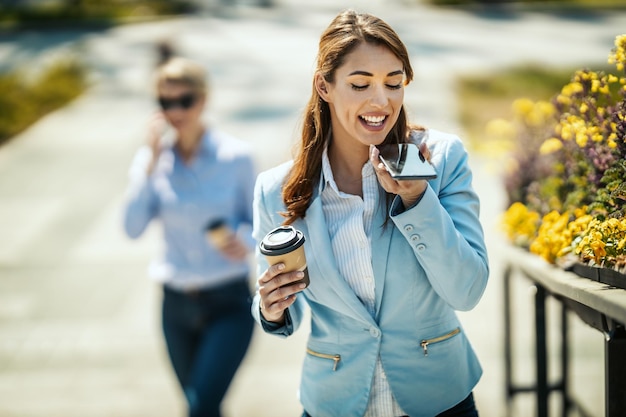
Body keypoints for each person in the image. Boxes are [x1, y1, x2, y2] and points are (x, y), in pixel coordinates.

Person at [251, 9, 489, 417]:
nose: (381, 101)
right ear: (323, 87)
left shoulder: (442, 159)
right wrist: (271, 309)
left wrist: (419, 201)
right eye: (360, 84)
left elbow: (467, 290)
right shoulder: (276, 191)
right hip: (334, 403)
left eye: (394, 83)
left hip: (440, 399)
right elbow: (279, 307)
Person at [122, 53, 255, 417]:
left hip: (229, 302)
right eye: (166, 102)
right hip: (175, 306)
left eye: (185, 101)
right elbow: (132, 229)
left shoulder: (236, 157)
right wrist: (148, 164)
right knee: (204, 408)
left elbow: (262, 224)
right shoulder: (151, 161)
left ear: (204, 100)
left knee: (199, 407)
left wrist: (242, 239)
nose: (176, 111)